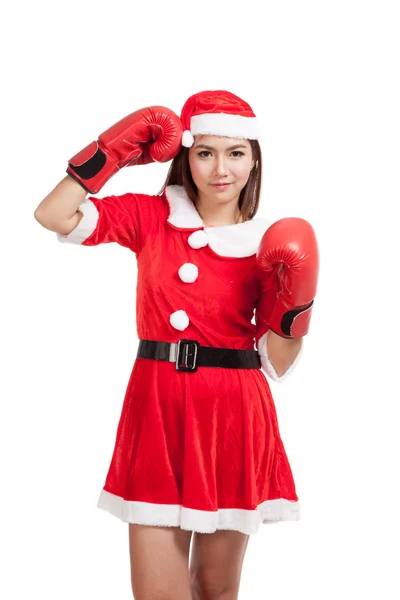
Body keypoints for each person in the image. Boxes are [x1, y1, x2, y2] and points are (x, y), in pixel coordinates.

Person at [34, 90, 319, 600]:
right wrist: (112, 154)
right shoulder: (151, 217)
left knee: (215, 589)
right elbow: (53, 215)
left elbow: (277, 363)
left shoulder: (266, 243)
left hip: (233, 412)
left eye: (234, 153)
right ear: (186, 155)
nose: (219, 168)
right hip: (158, 404)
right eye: (205, 152)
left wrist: (297, 300)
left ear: (254, 160)